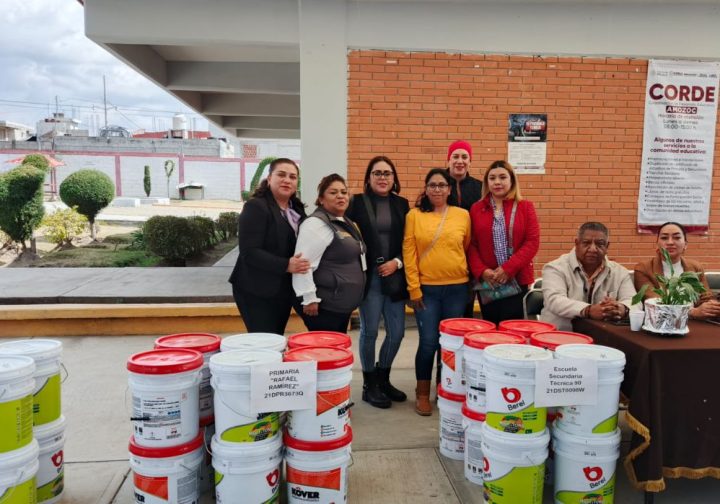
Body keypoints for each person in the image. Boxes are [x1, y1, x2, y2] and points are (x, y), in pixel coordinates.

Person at [403, 168, 471, 416]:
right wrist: (414, 288)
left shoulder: (463, 215)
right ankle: (422, 393)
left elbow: (465, 246)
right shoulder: (414, 215)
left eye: (442, 185)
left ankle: (446, 388)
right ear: (426, 188)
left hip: (457, 288)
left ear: (450, 189)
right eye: (432, 185)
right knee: (429, 342)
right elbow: (409, 252)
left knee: (450, 345)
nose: (437, 189)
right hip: (427, 290)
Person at [346, 156, 410, 409]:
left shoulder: (402, 204)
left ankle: (383, 379)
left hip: (395, 275)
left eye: (387, 173)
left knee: (397, 332)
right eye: (377, 173)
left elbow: (410, 241)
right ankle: (369, 384)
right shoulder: (356, 203)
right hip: (369, 277)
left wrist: (398, 262)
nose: (382, 177)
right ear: (369, 178)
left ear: (394, 178)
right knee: (369, 331)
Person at [229, 158, 308, 334]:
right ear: (270, 178)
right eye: (281, 175)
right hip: (255, 289)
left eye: (292, 177)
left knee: (276, 338)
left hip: (282, 288)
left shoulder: (296, 208)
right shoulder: (256, 206)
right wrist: (286, 265)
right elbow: (249, 252)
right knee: (264, 340)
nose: (287, 180)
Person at [467, 161, 540, 324]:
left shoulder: (525, 207)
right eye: (492, 178)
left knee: (512, 328)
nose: (497, 182)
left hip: (516, 280)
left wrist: (508, 269)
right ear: (487, 182)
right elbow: (471, 245)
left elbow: (532, 242)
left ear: (512, 180)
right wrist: (482, 271)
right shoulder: (476, 209)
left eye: (502, 177)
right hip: (489, 282)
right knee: (490, 327)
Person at [292, 174, 367, 332]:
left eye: (344, 192)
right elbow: (302, 264)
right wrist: (309, 298)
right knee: (324, 345)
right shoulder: (316, 224)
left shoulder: (344, 221)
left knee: (336, 345)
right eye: (333, 192)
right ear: (321, 199)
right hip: (324, 307)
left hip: (340, 305)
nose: (340, 196)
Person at [540, 222, 635, 331]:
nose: (593, 249)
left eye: (600, 244)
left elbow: (634, 301)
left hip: (602, 337)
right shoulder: (555, 268)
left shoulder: (620, 272)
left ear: (607, 246)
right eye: (586, 243)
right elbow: (555, 301)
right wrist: (588, 310)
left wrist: (622, 309)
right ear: (577, 243)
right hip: (558, 334)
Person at [633, 221, 720, 319]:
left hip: (695, 322)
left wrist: (712, 306)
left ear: (685, 245)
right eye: (664, 238)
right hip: (661, 321)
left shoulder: (695, 267)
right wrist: (691, 312)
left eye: (677, 237)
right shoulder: (644, 268)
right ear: (657, 244)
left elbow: (706, 297)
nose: (670, 242)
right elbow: (655, 302)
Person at [446, 139, 483, 319]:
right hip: (446, 254)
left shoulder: (480, 187)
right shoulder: (438, 184)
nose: (459, 161)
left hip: (472, 254)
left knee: (466, 307)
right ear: (448, 160)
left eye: (464, 157)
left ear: (470, 161)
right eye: (455, 156)